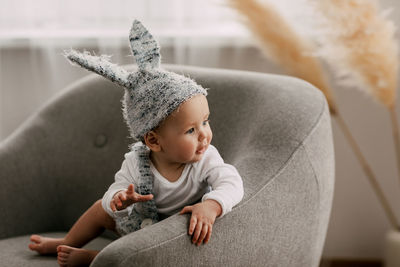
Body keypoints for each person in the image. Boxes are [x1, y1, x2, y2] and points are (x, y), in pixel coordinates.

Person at [28, 20, 244, 267]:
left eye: (205, 122)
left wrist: (211, 207)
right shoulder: (136, 162)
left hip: (170, 236)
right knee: (101, 208)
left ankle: (95, 259)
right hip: (138, 226)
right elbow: (115, 191)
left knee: (141, 253)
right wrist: (119, 200)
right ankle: (68, 240)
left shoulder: (205, 159)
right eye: (191, 130)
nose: (204, 135)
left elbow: (231, 181)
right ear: (153, 140)